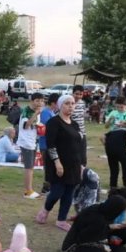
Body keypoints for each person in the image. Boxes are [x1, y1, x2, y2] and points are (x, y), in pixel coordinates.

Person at [36, 95, 84, 231]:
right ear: (60, 105)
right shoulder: (54, 122)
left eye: (72, 104)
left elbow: (80, 145)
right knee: (57, 191)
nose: (70, 106)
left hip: (74, 163)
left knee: (69, 193)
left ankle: (61, 219)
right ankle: (45, 210)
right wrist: (57, 162)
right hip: (58, 163)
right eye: (67, 103)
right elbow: (51, 145)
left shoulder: (74, 124)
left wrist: (81, 164)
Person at [60, 195, 126, 252]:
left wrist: (110, 230)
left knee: (121, 249)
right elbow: (84, 238)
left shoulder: (102, 211)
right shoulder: (96, 217)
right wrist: (103, 245)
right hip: (74, 247)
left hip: (92, 243)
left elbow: (101, 233)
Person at [103, 96, 126, 189]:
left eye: (121, 107)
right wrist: (110, 120)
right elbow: (106, 126)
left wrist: (125, 122)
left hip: (124, 133)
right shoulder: (113, 112)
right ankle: (113, 186)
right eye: (117, 107)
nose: (119, 109)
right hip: (113, 134)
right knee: (113, 165)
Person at [17, 92, 44, 199]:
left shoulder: (37, 112)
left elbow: (34, 125)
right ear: (32, 101)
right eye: (37, 100)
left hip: (32, 141)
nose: (40, 103)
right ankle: (28, 191)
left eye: (41, 101)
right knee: (29, 168)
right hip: (26, 142)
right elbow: (26, 125)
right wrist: (35, 114)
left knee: (31, 167)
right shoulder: (26, 111)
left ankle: (29, 190)